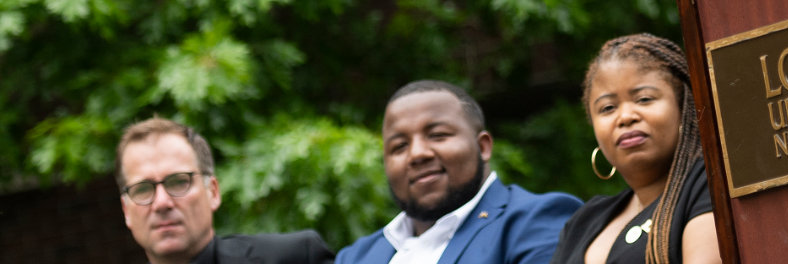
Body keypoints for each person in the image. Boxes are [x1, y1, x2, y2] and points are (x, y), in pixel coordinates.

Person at [335, 80, 581, 264]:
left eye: (438, 135)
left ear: (483, 147)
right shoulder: (354, 257)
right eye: (399, 146)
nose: (417, 154)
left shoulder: (536, 222)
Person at [550, 34, 719, 264]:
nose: (626, 117)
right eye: (608, 108)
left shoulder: (709, 184)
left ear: (683, 108)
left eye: (644, 99)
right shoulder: (583, 222)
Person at [116, 117, 334, 264]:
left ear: (213, 192)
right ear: (126, 211)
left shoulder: (296, 257)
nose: (162, 203)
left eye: (179, 182)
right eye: (142, 189)